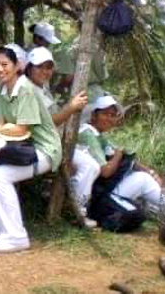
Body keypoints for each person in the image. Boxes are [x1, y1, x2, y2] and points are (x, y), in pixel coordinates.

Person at [0, 46, 62, 253]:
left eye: (4, 64)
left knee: (0, 176)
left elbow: (22, 128)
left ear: (17, 66)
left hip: (44, 150)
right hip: (23, 146)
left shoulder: (25, 89)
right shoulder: (3, 89)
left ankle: (16, 237)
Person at [25, 46, 98, 227]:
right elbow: (47, 122)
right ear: (29, 68)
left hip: (55, 141)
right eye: (39, 66)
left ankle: (70, 205)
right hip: (43, 144)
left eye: (48, 67)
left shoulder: (42, 87)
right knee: (90, 166)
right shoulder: (29, 90)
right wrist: (71, 107)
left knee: (89, 164)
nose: (45, 71)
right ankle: (77, 212)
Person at [77, 95, 161, 212]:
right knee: (144, 180)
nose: (109, 119)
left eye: (112, 115)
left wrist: (151, 172)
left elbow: (127, 159)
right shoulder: (88, 134)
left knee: (146, 179)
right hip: (100, 197)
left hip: (103, 191)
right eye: (105, 114)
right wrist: (118, 155)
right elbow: (106, 171)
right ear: (93, 115)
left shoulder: (98, 136)